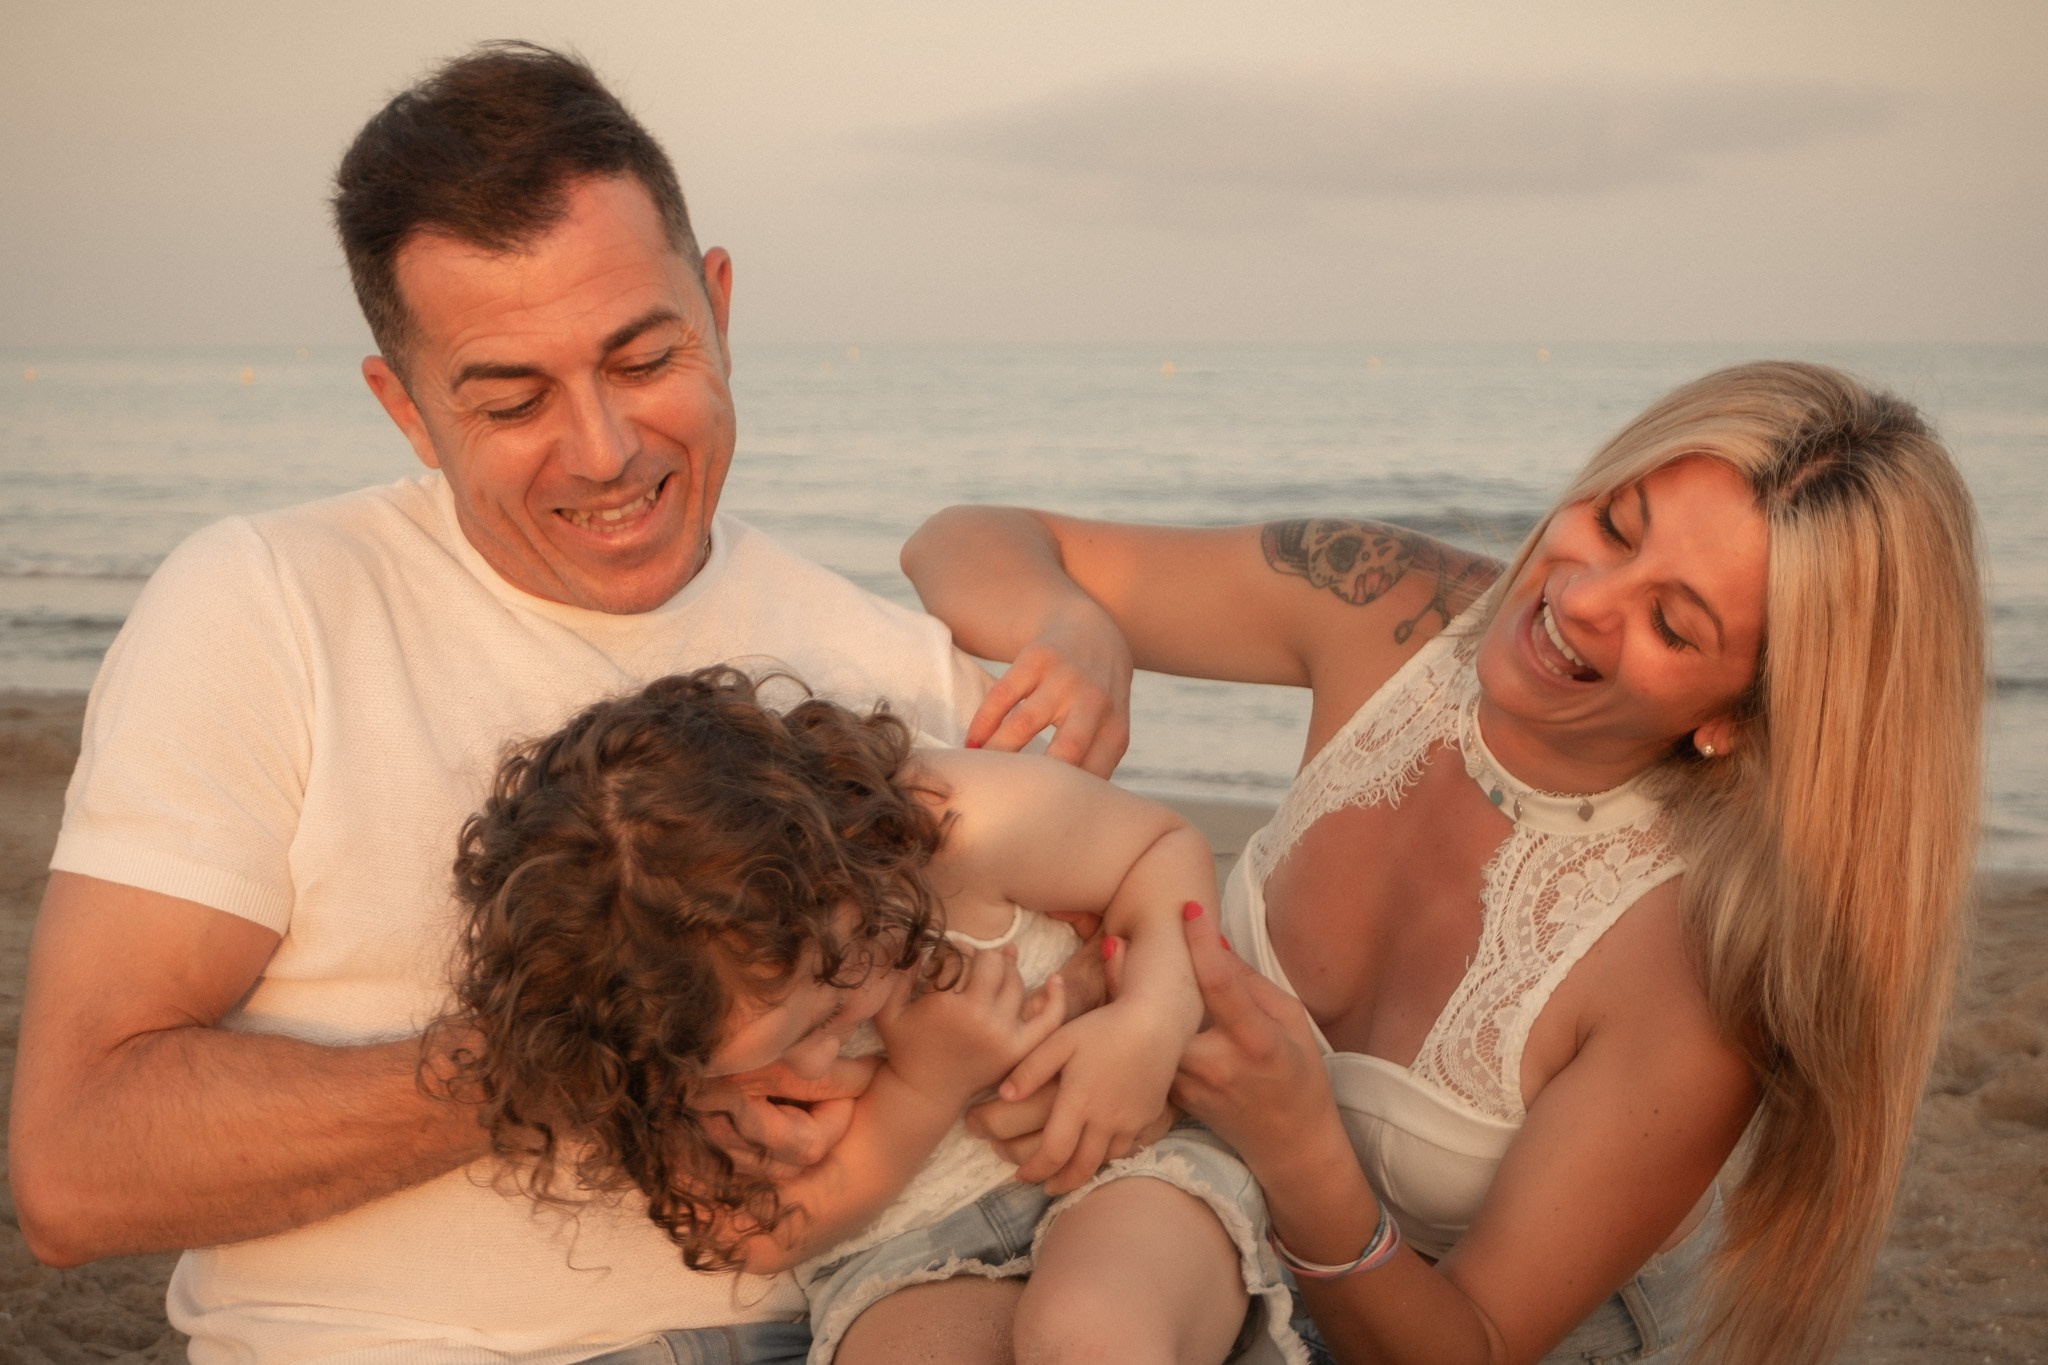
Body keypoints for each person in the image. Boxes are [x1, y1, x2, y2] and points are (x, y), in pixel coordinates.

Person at [9, 43, 997, 1364]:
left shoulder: (898, 669)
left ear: (718, 306)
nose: (605, 449)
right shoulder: (269, 606)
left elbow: (1012, 1090)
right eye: (513, 397)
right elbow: (76, 1169)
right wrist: (603, 1044)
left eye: (644, 358)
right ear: (406, 409)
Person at [902, 360, 1985, 1365]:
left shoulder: (1697, 971)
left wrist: (1302, 1149)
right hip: (1192, 1238)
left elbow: (1464, 1344)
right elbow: (959, 539)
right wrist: (1077, 624)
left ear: (1737, 720)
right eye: (1613, 524)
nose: (1581, 600)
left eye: (1670, 622)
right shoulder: (1390, 606)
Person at [437, 666, 1308, 1365]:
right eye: (771, 1052)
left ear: (843, 864)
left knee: (1088, 1336)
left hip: (1134, 1172)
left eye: (830, 1004)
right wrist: (928, 1083)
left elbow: (1162, 851)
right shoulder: (655, 1022)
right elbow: (755, 1233)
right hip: (907, 1260)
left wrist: (1148, 1026)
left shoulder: (958, 827)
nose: (818, 1062)